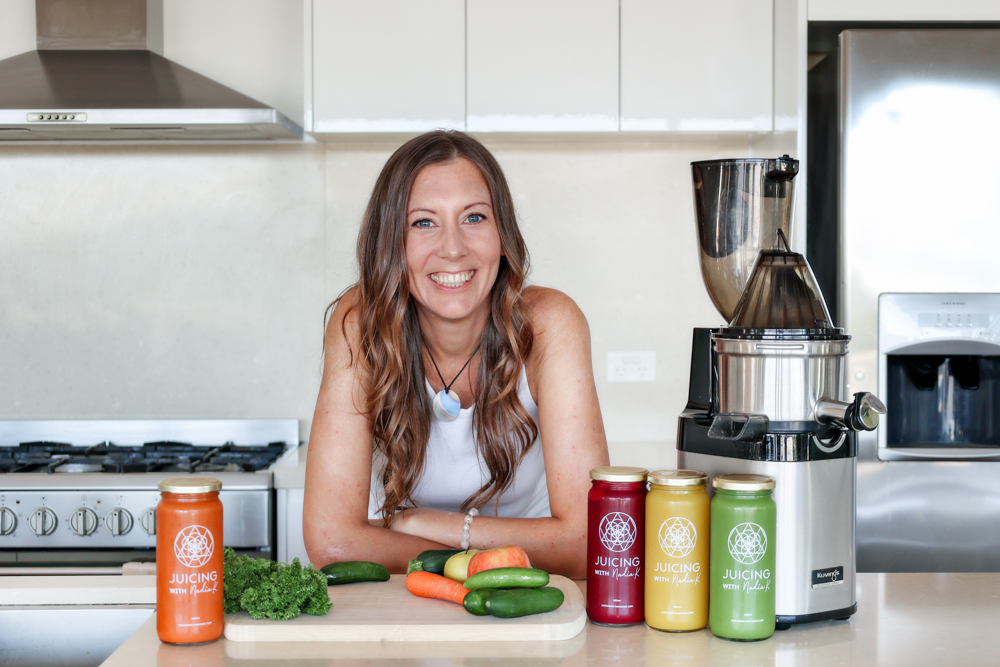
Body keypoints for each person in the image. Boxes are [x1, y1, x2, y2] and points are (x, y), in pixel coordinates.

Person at [303, 130, 609, 578]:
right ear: (391, 243)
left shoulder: (550, 324)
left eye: (474, 218)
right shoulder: (359, 322)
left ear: (502, 234)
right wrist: (494, 552)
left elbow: (589, 543)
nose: (452, 248)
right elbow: (331, 542)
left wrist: (425, 524)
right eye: (423, 222)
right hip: (412, 601)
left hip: (530, 593)